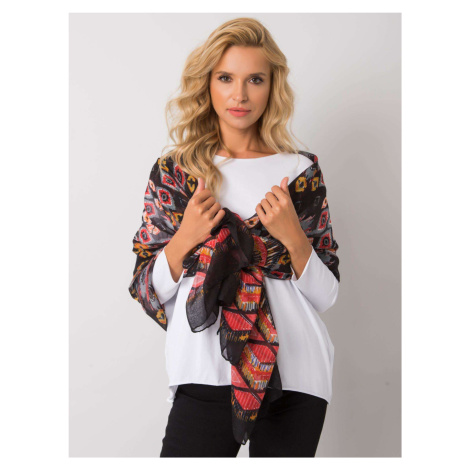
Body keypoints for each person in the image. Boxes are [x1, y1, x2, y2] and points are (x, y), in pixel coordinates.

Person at [129, 17, 340, 458]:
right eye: (226, 78)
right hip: (203, 369)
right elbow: (146, 288)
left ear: (272, 86)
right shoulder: (177, 174)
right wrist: (185, 238)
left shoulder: (300, 172)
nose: (240, 94)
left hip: (296, 372)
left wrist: (294, 238)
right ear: (207, 84)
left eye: (254, 79)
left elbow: (326, 295)